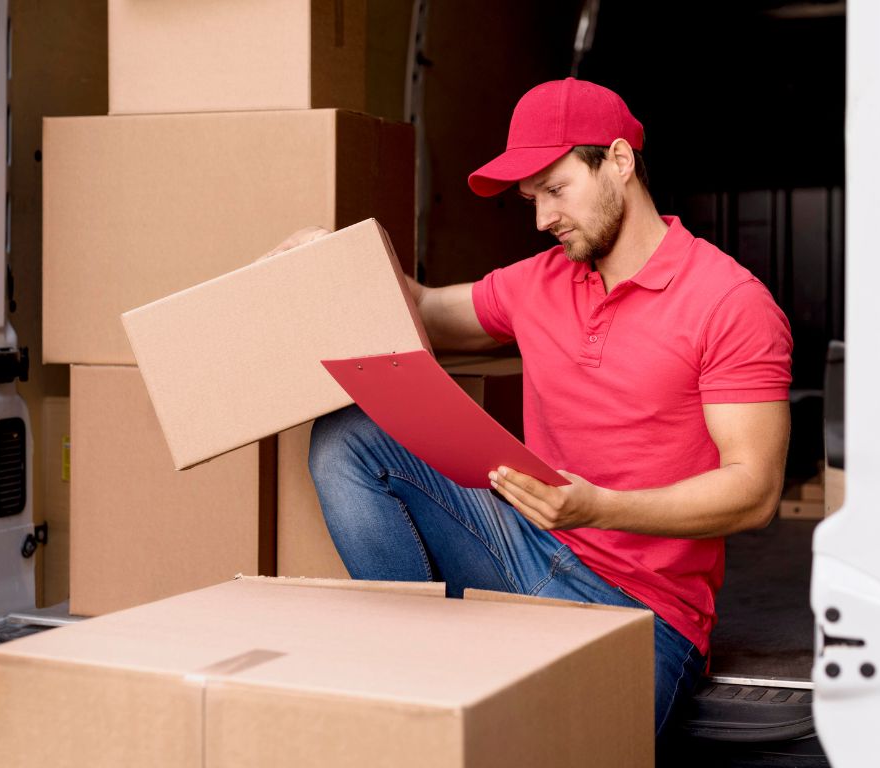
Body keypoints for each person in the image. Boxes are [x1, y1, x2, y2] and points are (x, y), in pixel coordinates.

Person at [268, 77, 793, 736]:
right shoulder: (540, 282)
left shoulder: (728, 302)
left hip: (640, 611)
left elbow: (755, 491)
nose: (543, 219)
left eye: (555, 189)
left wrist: (599, 506)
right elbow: (424, 308)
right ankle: (413, 681)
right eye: (531, 199)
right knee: (351, 435)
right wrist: (337, 256)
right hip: (524, 548)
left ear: (620, 162)